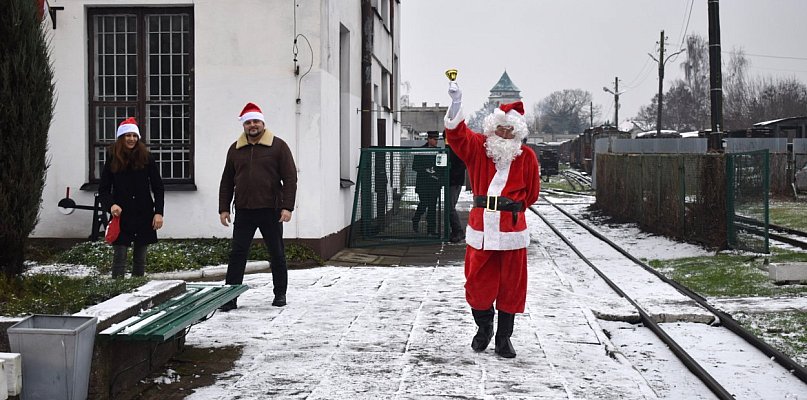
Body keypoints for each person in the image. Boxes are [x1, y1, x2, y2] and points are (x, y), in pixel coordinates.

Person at [444, 81, 541, 358]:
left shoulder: (527, 157)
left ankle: (503, 337)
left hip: (512, 230)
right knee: (476, 282)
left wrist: (510, 210)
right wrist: (456, 103)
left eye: (510, 129)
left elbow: (532, 194)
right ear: (491, 127)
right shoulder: (478, 148)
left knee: (512, 285)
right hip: (482, 229)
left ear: (517, 131)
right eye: (500, 127)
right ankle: (484, 327)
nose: (504, 133)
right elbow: (457, 136)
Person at [218, 102, 298, 311]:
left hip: (271, 209)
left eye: (256, 121)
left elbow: (290, 178)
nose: (252, 125)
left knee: (276, 252)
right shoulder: (235, 149)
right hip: (244, 209)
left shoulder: (278, 146)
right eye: (248, 122)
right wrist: (224, 208)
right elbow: (227, 180)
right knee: (237, 254)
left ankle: (280, 293)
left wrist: (287, 207)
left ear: (262, 123)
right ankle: (230, 297)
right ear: (243, 125)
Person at [99, 117, 165, 279]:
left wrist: (158, 212)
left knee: (140, 259)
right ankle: (117, 289)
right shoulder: (112, 158)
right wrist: (111, 205)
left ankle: (138, 287)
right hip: (121, 215)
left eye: (134, 136)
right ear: (121, 137)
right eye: (128, 135)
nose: (131, 139)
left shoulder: (147, 157)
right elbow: (103, 189)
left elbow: (158, 187)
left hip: (144, 213)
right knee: (119, 257)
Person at [411, 131, 442, 235]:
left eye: (437, 139)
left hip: (434, 183)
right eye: (434, 139)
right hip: (423, 183)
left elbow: (442, 166)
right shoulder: (421, 151)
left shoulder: (439, 151)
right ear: (429, 139)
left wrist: (437, 174)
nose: (436, 141)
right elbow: (415, 166)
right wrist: (425, 170)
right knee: (424, 203)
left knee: (432, 207)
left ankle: (431, 230)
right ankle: (416, 219)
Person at [445, 135, 467, 243]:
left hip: (454, 182)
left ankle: (458, 231)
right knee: (449, 207)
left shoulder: (455, 150)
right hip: (454, 181)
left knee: (450, 207)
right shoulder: (455, 149)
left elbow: (459, 166)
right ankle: (456, 231)